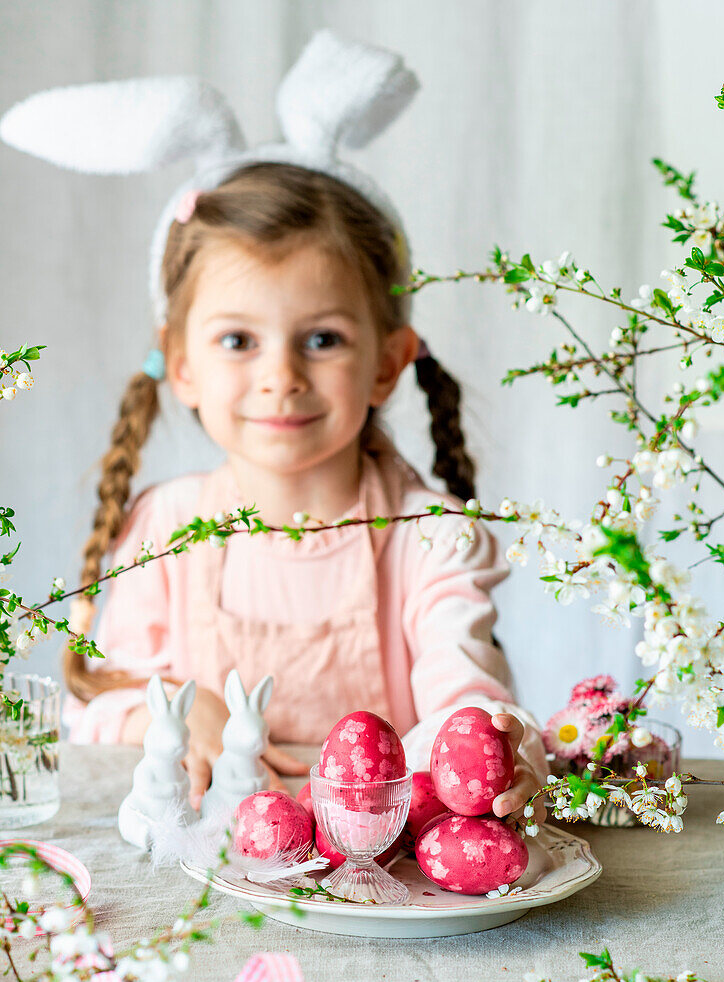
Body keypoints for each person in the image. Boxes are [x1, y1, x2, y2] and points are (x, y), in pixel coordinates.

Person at [2, 30, 548, 818]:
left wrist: (487, 745)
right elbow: (96, 707)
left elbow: (464, 692)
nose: (280, 375)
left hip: (379, 881)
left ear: (389, 360)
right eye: (237, 340)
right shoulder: (165, 527)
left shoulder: (428, 537)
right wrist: (177, 711)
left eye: (322, 339)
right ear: (179, 360)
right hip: (205, 878)